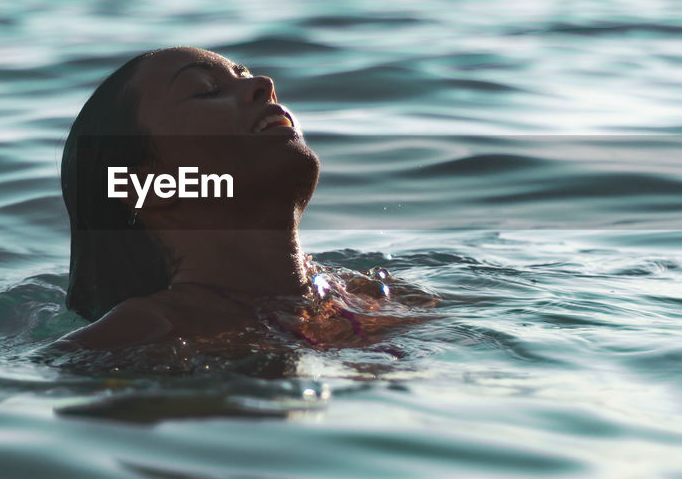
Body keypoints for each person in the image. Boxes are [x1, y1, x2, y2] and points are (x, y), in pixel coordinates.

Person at [58, 46, 420, 352]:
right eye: (205, 90)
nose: (265, 85)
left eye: (245, 76)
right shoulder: (148, 329)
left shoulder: (372, 295)